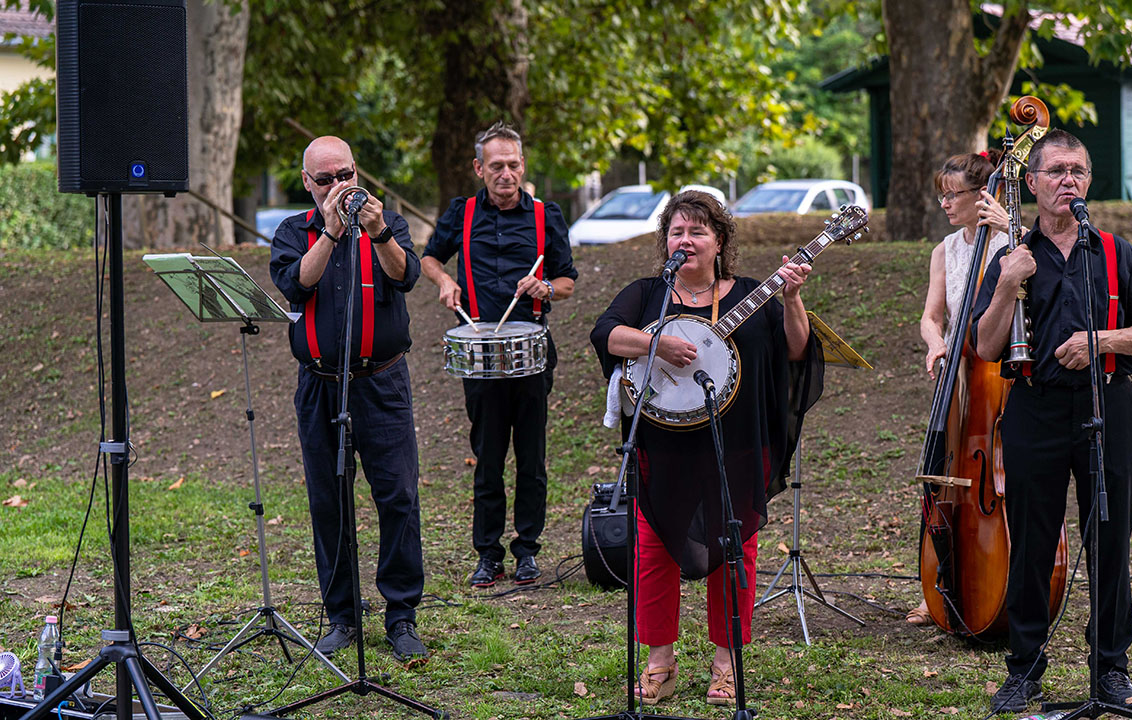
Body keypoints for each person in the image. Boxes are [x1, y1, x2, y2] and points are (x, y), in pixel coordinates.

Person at [590, 190, 823, 706]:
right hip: (661, 444)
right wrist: (658, 343)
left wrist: (791, 298)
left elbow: (797, 348)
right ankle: (659, 663)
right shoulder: (648, 295)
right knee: (652, 550)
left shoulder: (747, 293)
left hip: (734, 444)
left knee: (733, 551)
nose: (686, 240)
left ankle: (726, 664)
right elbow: (604, 334)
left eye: (698, 231)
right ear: (665, 241)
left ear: (719, 241)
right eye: (677, 231)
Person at [971, 129, 1132, 713]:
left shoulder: (1115, 252)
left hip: (1109, 403)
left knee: (1110, 538)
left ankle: (1110, 668)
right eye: (1056, 171)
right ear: (1031, 183)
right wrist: (1007, 284)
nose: (1068, 181)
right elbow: (985, 347)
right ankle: (1025, 668)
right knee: (1031, 542)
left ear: (1089, 181)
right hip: (1034, 406)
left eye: (1078, 171)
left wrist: (1100, 339)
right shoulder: (1012, 257)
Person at [268, 136, 428, 661]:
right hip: (319, 384)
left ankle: (401, 616)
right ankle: (341, 616)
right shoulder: (295, 231)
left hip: (381, 382)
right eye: (327, 179)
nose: (340, 187)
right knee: (329, 502)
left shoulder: (388, 222)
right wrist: (332, 232)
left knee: (398, 496)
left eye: (347, 174)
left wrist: (377, 231)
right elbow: (296, 285)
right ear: (307, 183)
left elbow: (406, 276)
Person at [421, 121, 578, 588]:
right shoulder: (461, 213)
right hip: (481, 354)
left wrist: (545, 285)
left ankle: (527, 550)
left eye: (513, 165)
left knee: (531, 457)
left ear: (523, 166)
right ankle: (488, 553)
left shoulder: (546, 216)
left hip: (530, 352)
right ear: (479, 168)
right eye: (496, 166)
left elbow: (567, 280)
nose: (505, 173)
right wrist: (444, 281)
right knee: (487, 457)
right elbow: (429, 257)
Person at [909, 151, 1012, 627]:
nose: (945, 204)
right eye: (942, 195)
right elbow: (932, 317)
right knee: (945, 470)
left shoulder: (1013, 242)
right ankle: (942, 581)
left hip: (997, 375)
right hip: (955, 376)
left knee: (998, 479)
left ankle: (1006, 577)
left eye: (954, 195)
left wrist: (1009, 234)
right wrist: (936, 344)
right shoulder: (944, 250)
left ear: (982, 195)